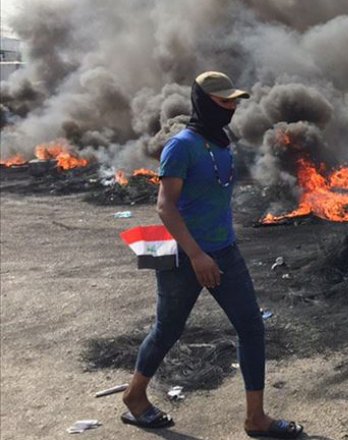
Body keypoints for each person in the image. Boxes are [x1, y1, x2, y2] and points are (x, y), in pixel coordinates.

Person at [121, 71, 304, 439]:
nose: (233, 108)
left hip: (225, 251)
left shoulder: (221, 144)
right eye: (225, 102)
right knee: (167, 330)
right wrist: (197, 256)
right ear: (203, 102)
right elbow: (165, 207)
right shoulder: (181, 146)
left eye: (235, 101)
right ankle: (134, 396)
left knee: (252, 326)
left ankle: (256, 418)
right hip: (181, 255)